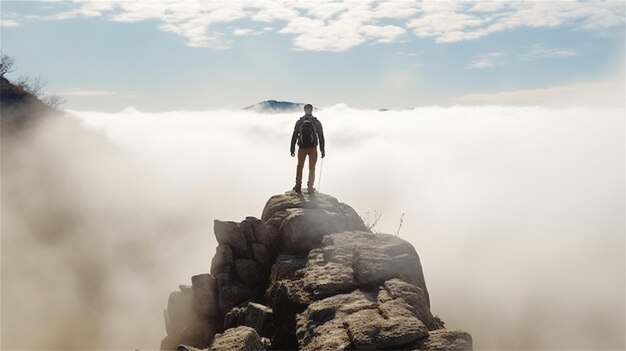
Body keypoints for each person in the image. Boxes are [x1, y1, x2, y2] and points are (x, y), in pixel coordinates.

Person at [290, 103, 325, 193]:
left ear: (304, 110)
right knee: (312, 168)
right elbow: (321, 136)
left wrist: (292, 148)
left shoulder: (300, 122)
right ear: (312, 110)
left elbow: (294, 135)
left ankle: (298, 186)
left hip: (302, 148)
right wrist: (322, 149)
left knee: (300, 166)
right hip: (313, 148)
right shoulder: (316, 122)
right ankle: (310, 187)